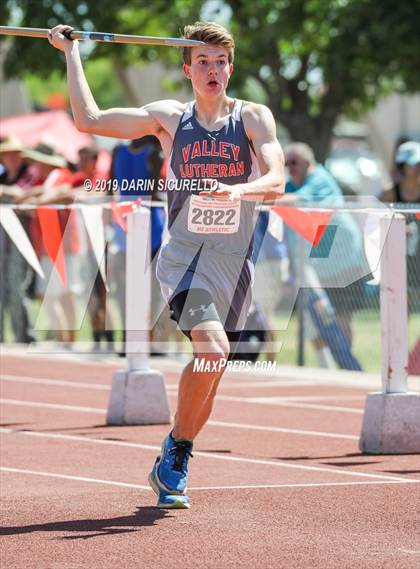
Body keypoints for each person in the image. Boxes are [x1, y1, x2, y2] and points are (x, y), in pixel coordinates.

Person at [48, 21, 285, 509]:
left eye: (220, 61)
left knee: (212, 371)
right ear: (187, 69)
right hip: (184, 258)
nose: (213, 70)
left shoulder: (254, 118)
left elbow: (278, 179)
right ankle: (177, 455)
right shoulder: (170, 119)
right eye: (203, 62)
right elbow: (89, 120)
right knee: (213, 349)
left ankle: (177, 448)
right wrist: (71, 53)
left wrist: (239, 189)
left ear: (231, 68)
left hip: (234, 264)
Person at [284, 142, 366, 370]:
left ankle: (348, 368)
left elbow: (296, 201)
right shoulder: (290, 186)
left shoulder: (319, 178)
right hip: (317, 265)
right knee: (313, 316)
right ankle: (329, 366)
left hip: (345, 261)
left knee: (342, 316)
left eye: (294, 163)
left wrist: (263, 200)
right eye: (286, 163)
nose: (289, 168)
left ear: (308, 163)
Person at [0, 136, 37, 343]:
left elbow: (26, 194)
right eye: (8, 154)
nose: (12, 158)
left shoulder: (28, 175)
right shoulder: (3, 176)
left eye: (16, 154)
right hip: (3, 234)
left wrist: (6, 192)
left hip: (22, 235)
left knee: (17, 284)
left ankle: (24, 335)